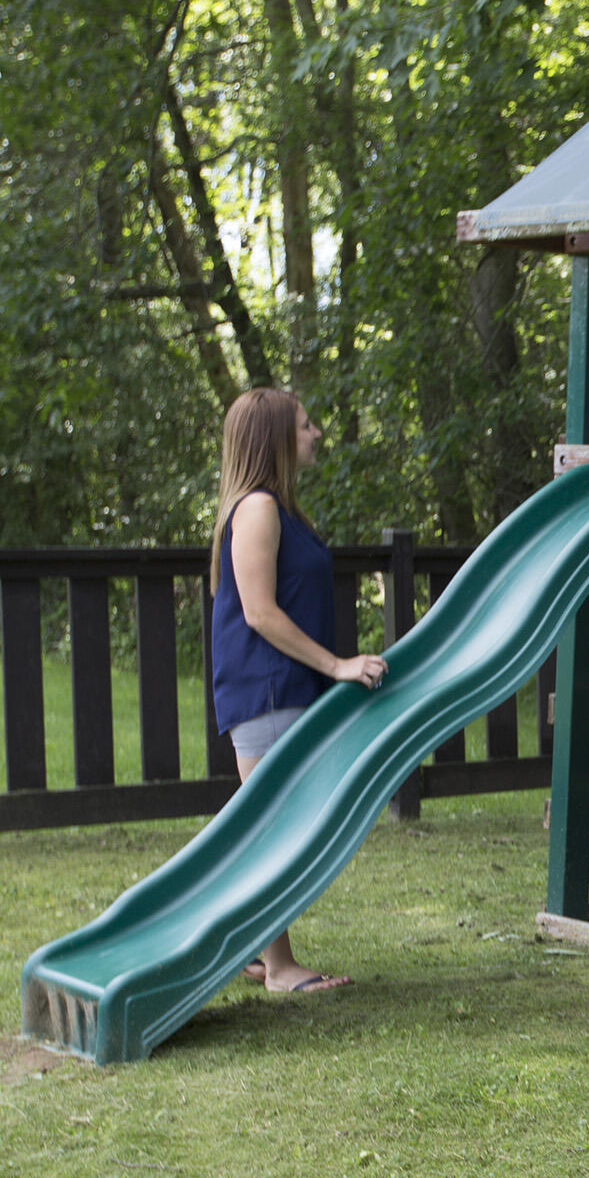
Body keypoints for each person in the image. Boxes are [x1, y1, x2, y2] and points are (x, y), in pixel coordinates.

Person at [209, 388, 387, 994]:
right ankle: (280, 968)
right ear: (276, 440)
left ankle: (255, 951)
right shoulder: (257, 508)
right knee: (275, 831)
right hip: (268, 689)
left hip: (281, 689)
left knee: (276, 826)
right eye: (306, 426)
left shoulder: (276, 509)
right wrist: (335, 665)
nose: (316, 434)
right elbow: (259, 613)